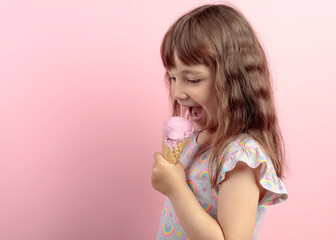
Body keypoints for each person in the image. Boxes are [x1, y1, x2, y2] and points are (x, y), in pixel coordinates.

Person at [151, 4, 288, 240]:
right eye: (172, 77)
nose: (177, 92)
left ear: (233, 81)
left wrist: (175, 188)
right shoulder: (199, 138)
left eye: (192, 80)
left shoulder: (241, 158)